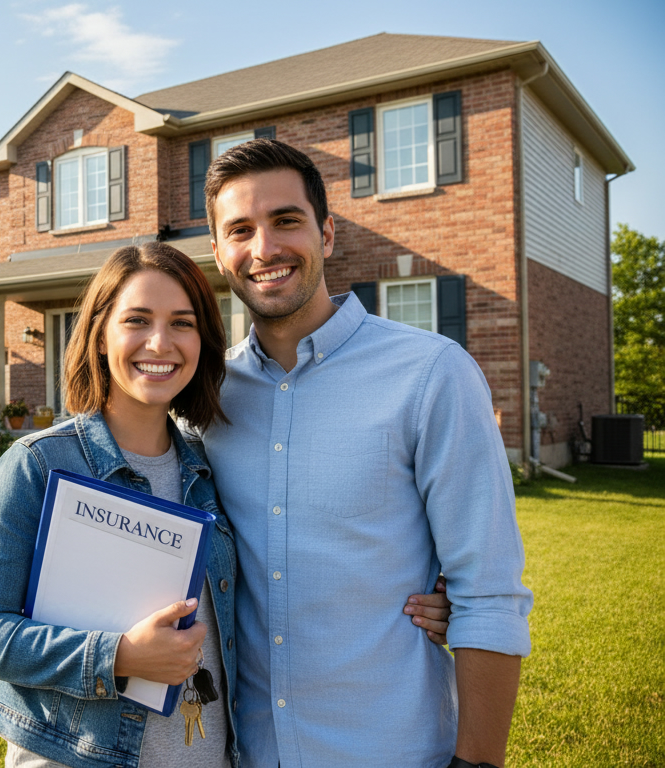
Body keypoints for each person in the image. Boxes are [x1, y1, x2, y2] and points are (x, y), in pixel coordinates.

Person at [0, 241, 452, 768]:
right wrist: (118, 656)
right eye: (137, 320)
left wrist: (433, 599)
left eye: (182, 323)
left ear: (203, 341)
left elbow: (278, 563)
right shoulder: (38, 464)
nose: (160, 343)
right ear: (99, 333)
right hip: (82, 756)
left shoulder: (206, 468)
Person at [201, 138, 533, 768]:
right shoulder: (206, 396)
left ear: (326, 234)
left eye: (286, 221)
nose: (264, 248)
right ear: (219, 253)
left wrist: (478, 761)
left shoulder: (433, 373)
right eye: (240, 230)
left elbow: (488, 592)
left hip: (393, 749)